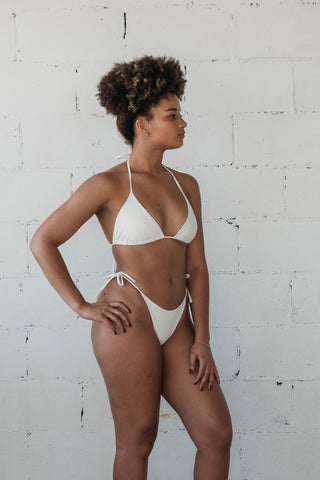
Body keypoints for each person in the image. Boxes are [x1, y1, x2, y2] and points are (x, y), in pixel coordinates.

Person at [30, 54, 232, 480]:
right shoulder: (107, 185)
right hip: (127, 318)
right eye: (171, 115)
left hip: (180, 324)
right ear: (143, 125)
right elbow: (43, 240)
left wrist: (203, 338)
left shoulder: (187, 185)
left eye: (180, 114)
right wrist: (82, 306)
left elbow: (198, 265)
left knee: (215, 434)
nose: (183, 123)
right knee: (138, 439)